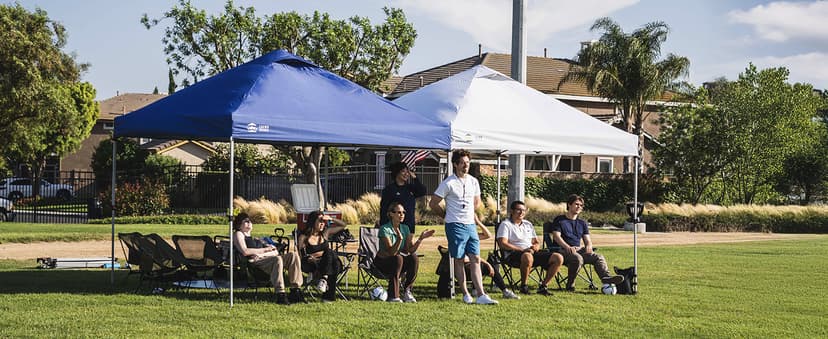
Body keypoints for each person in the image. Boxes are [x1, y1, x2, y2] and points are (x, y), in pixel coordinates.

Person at [429, 149, 498, 305]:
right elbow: (433, 203)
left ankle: (481, 294)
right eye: (462, 163)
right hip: (455, 225)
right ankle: (466, 293)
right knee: (459, 260)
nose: (466, 166)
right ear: (455, 164)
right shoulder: (448, 183)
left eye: (467, 163)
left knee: (475, 258)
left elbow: (477, 201)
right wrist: (446, 216)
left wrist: (470, 212)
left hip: (470, 225)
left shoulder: (473, 181)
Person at [550, 194, 624, 291]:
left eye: (581, 205)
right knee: (578, 258)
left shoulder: (582, 223)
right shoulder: (559, 220)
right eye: (576, 204)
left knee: (598, 257)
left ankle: (606, 278)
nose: (579, 207)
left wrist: (589, 245)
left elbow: (587, 239)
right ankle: (570, 284)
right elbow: (556, 237)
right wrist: (567, 247)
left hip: (578, 250)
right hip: (562, 251)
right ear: (569, 204)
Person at [233, 213, 304, 304]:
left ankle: (295, 290)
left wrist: (264, 253)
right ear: (239, 225)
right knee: (277, 260)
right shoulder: (239, 234)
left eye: (250, 221)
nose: (249, 223)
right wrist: (265, 250)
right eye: (246, 221)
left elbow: (275, 252)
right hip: (256, 263)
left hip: (265, 259)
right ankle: (280, 294)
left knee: (293, 256)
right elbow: (245, 251)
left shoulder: (256, 239)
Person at [496, 200, 563, 296]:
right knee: (527, 256)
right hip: (513, 253)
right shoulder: (506, 224)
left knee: (558, 257)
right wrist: (523, 250)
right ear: (512, 211)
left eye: (523, 210)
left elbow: (536, 242)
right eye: (518, 210)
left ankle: (543, 286)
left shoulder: (528, 224)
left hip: (531, 252)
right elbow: (502, 243)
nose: (521, 212)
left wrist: (535, 247)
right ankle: (524, 286)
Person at [375, 202, 435, 302]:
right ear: (391, 214)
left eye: (403, 212)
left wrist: (420, 239)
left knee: (413, 257)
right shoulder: (384, 229)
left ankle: (407, 291)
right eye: (398, 212)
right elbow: (391, 252)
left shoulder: (405, 228)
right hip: (382, 263)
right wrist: (399, 239)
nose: (402, 215)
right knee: (398, 258)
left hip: (398, 262)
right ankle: (394, 296)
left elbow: (408, 250)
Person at [296, 211, 347, 303]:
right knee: (331, 256)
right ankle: (328, 297)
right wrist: (313, 258)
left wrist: (331, 219)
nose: (323, 223)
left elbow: (343, 225)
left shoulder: (325, 233)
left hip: (327, 263)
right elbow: (302, 256)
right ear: (312, 222)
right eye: (320, 221)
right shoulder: (303, 237)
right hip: (313, 264)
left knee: (330, 254)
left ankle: (324, 278)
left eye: (324, 221)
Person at [473, 218, 520, 299]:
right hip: (467, 263)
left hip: (475, 262)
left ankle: (504, 290)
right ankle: (475, 289)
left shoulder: (472, 235)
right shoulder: (460, 236)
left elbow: (488, 235)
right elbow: (471, 256)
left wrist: (478, 222)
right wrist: (487, 264)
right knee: (485, 264)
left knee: (492, 260)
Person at [379, 161, 427, 232]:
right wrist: (383, 225)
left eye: (407, 172)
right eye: (403, 171)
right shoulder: (389, 189)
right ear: (397, 173)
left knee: (408, 243)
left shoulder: (410, 188)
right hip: (394, 226)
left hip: (409, 224)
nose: (406, 174)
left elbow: (422, 191)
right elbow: (384, 208)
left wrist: (415, 178)